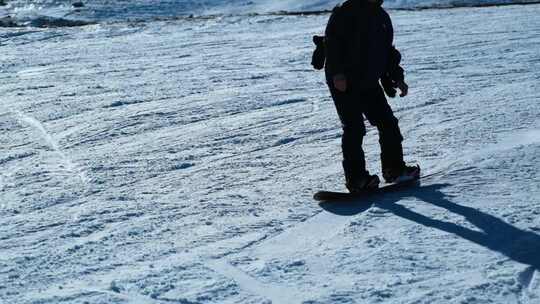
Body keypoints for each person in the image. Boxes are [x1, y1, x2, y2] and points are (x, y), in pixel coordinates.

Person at [324, 0, 419, 193]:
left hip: (367, 81)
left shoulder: (381, 17)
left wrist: (397, 79)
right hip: (344, 82)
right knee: (354, 128)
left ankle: (394, 169)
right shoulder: (346, 12)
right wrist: (337, 74)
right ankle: (356, 179)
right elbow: (332, 43)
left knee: (388, 123)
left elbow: (387, 53)